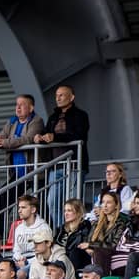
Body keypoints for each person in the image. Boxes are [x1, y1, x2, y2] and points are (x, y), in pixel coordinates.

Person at [37, 85, 90, 228]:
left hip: (74, 165)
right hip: (56, 166)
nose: (58, 98)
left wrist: (54, 137)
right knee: (52, 202)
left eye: (61, 95)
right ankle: (63, 232)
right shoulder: (53, 116)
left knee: (73, 204)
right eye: (56, 95)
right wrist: (40, 137)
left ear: (71, 97)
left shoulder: (80, 115)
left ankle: (74, 231)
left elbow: (79, 135)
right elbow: (47, 133)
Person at [0, 94, 45, 182]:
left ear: (31, 108)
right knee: (7, 191)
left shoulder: (37, 121)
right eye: (17, 104)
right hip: (15, 173)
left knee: (38, 191)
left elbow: (28, 139)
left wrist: (4, 142)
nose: (18, 107)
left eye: (22, 104)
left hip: (33, 171)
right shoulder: (11, 122)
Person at [79, 191, 127, 272]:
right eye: (103, 202)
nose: (105, 205)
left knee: (98, 252)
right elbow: (89, 240)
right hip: (95, 252)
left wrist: (91, 246)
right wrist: (89, 247)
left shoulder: (121, 223)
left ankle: (99, 277)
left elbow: (114, 245)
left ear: (116, 205)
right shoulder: (97, 223)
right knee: (76, 251)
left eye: (108, 202)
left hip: (111, 253)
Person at [12, 195, 51, 279]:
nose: (19, 211)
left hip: (37, 261)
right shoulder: (18, 228)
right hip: (20, 261)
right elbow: (16, 250)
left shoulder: (43, 227)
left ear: (33, 210)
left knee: (21, 274)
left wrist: (26, 262)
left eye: (23, 207)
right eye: (19, 207)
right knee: (4, 270)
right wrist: (19, 259)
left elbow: (45, 253)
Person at [55, 198, 92, 272]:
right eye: (65, 211)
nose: (66, 213)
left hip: (77, 258)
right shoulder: (61, 229)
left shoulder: (85, 227)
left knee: (74, 252)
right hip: (61, 257)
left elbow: (81, 245)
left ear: (78, 213)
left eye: (69, 211)